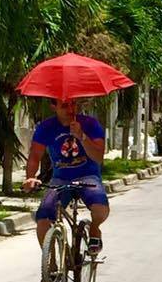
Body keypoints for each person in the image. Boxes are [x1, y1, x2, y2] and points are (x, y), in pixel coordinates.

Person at [23, 98, 109, 255]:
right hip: (60, 179)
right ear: (53, 106)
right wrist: (30, 177)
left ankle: (95, 229)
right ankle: (51, 264)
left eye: (73, 104)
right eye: (64, 105)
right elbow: (35, 156)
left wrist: (81, 136)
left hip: (88, 176)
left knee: (100, 209)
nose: (70, 109)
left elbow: (98, 157)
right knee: (43, 219)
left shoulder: (90, 124)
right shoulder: (46, 127)